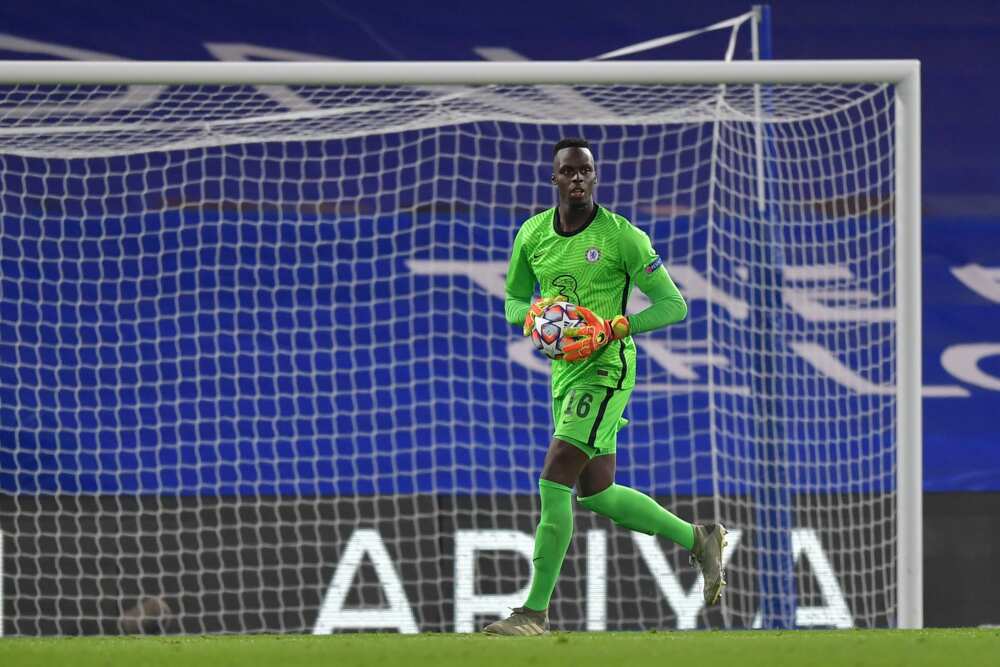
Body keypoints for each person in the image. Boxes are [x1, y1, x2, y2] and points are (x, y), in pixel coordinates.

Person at [483, 137, 727, 636]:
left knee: (554, 476)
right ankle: (699, 539)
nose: (578, 178)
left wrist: (616, 326)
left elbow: (673, 304)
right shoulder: (531, 235)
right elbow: (511, 298)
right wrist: (533, 319)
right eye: (569, 171)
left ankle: (533, 613)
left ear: (595, 177)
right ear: (554, 179)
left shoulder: (622, 237)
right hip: (565, 373)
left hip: (608, 367)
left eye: (586, 171)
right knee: (597, 493)